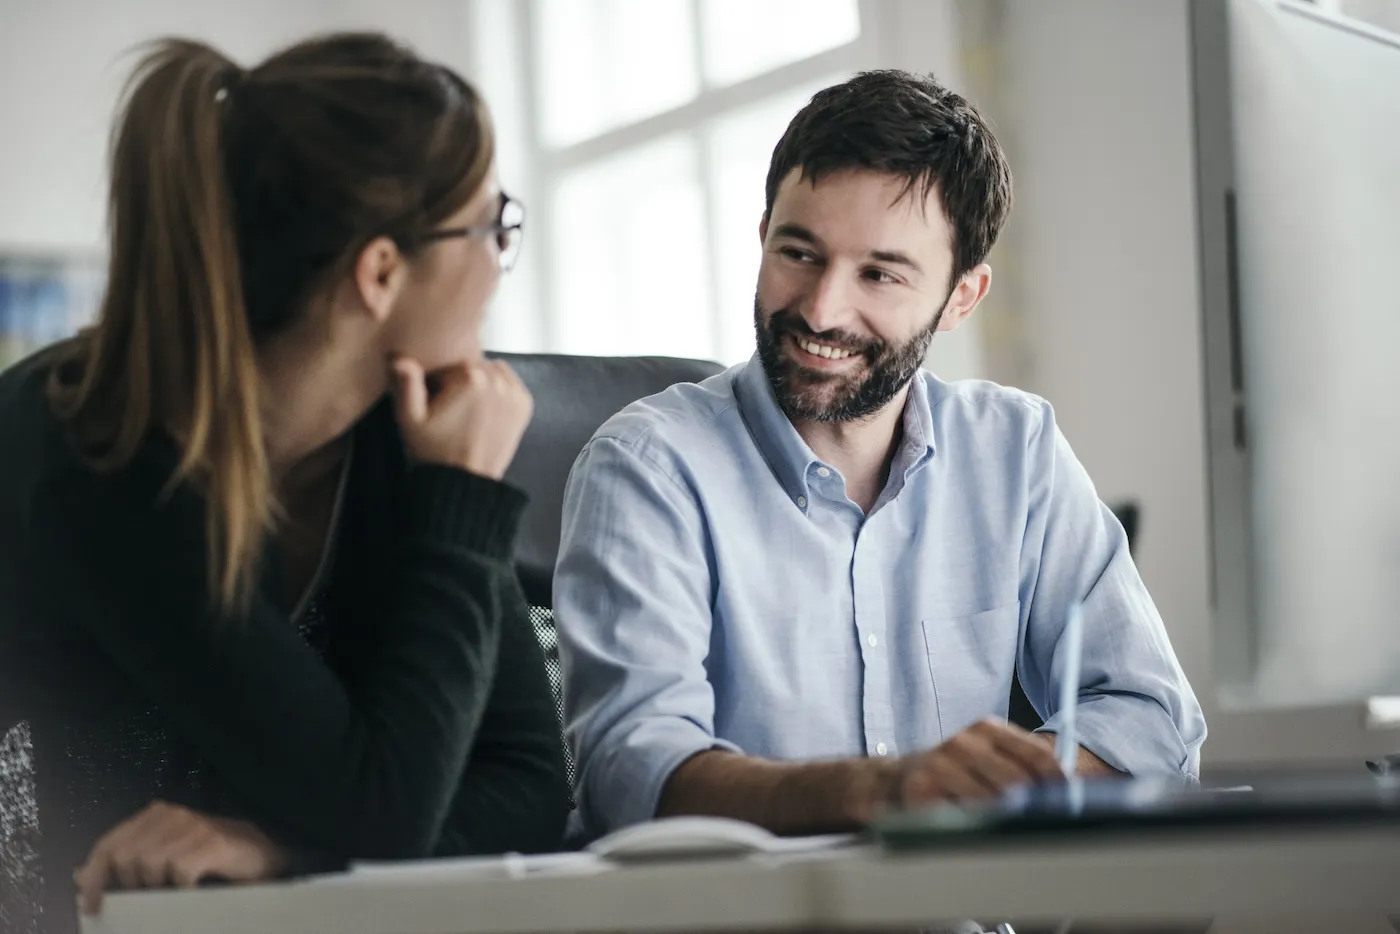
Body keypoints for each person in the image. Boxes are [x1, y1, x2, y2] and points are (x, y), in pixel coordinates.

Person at [0, 33, 570, 930]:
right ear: (380, 272)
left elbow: (528, 788)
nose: (500, 264)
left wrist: (275, 847)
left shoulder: (402, 431)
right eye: (493, 227)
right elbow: (382, 807)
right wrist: (463, 504)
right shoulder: (100, 450)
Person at [555, 70, 1206, 840]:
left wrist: (986, 797)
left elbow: (1154, 718)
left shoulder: (1015, 452)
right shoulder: (647, 467)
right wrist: (881, 792)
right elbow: (631, 769)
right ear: (763, 233)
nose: (823, 309)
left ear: (962, 296)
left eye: (880, 274)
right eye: (798, 253)